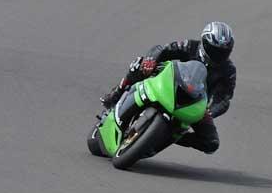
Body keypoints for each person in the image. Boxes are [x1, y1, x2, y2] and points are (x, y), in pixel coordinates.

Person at [101, 22, 236, 154]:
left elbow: (224, 99)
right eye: (214, 49)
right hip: (172, 84)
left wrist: (211, 111)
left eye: (222, 52)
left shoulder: (228, 71)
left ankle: (172, 136)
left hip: (196, 105)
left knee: (211, 143)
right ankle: (116, 94)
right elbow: (162, 49)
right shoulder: (190, 46)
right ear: (204, 43)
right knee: (139, 65)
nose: (217, 55)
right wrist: (151, 60)